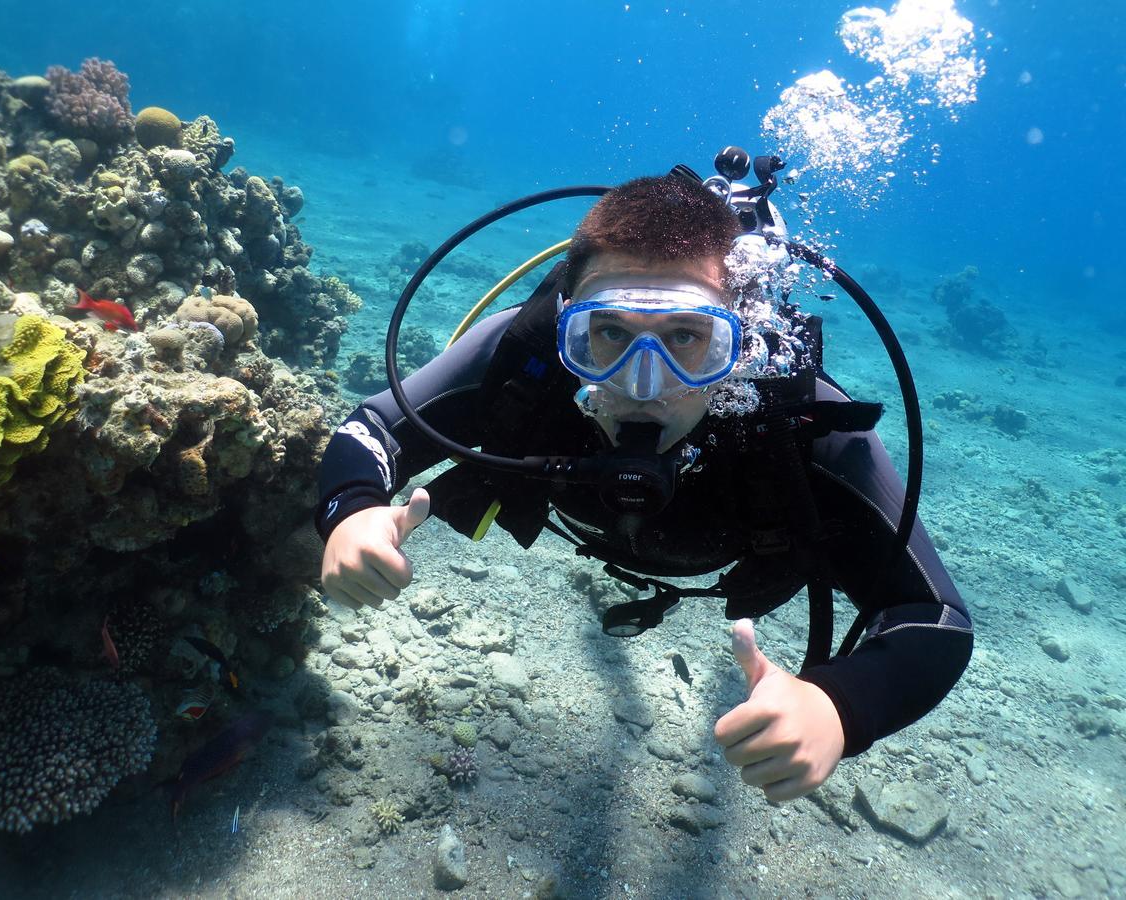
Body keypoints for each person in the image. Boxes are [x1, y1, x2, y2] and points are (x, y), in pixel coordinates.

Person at [315, 174, 973, 802]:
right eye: (608, 335)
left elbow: (933, 618)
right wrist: (353, 509)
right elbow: (375, 429)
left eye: (688, 338)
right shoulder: (526, 359)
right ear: (566, 324)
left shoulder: (798, 427)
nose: (643, 383)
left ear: (738, 346)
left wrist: (837, 707)